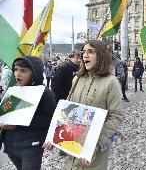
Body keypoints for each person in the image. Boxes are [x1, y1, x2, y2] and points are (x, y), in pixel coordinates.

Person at [44, 40, 123, 170]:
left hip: (94, 154)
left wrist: (95, 145)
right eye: (84, 52)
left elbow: (115, 117)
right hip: (73, 147)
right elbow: (67, 111)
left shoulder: (111, 82)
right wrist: (54, 137)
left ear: (102, 55)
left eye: (90, 52)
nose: (85, 55)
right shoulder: (77, 79)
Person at [0, 56, 57, 170]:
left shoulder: (44, 93)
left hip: (31, 147)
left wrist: (18, 123)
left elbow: (51, 119)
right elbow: (5, 114)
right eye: (16, 69)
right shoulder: (14, 90)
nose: (18, 74)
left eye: (23, 70)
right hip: (11, 145)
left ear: (34, 72)